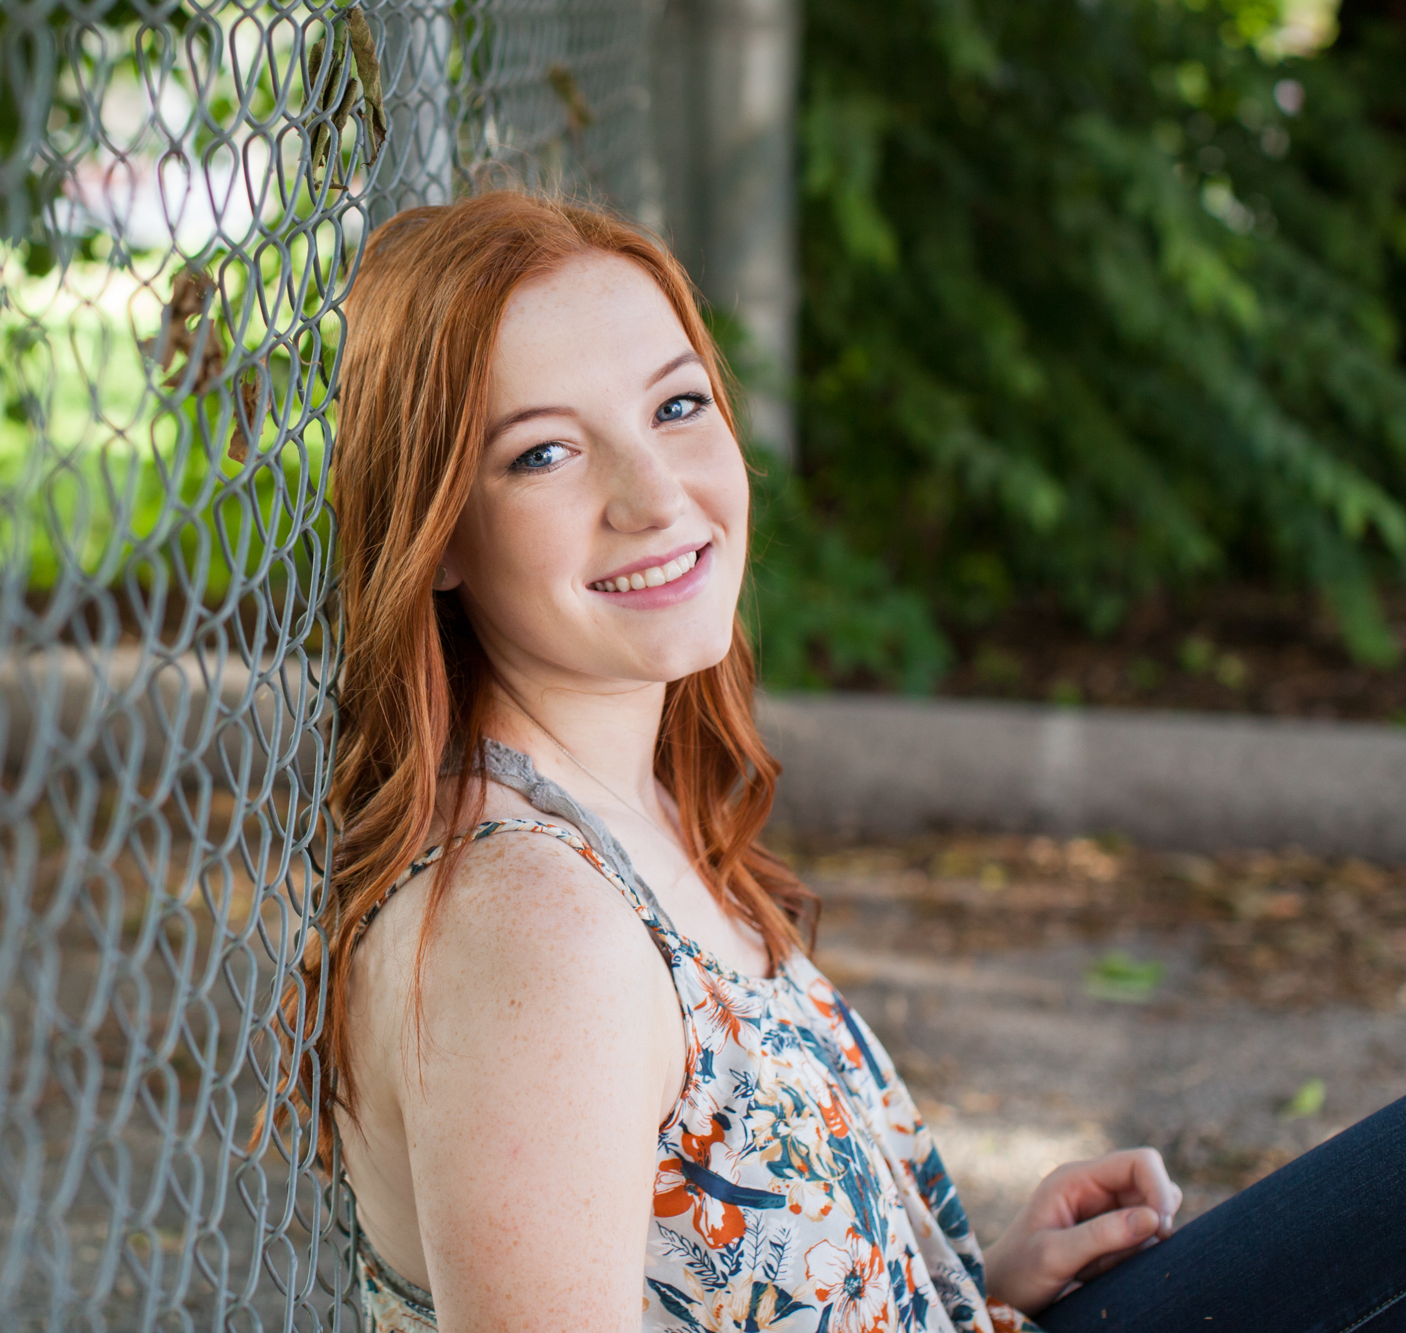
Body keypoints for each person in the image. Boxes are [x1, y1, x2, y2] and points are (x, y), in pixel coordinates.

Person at [285, 189, 1406, 1333]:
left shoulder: (613, 811)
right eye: (543, 453)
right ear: (431, 536)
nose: (655, 493)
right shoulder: (533, 931)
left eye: (675, 405)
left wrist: (956, 1285)